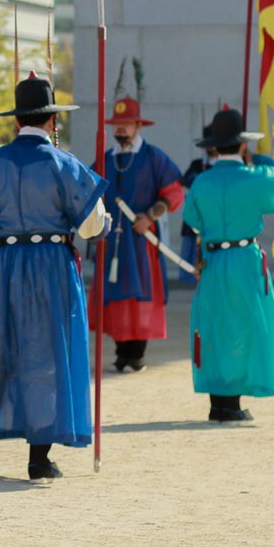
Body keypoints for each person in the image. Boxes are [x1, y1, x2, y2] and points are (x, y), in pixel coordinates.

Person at [0, 72, 110, 483]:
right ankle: (38, 459)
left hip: (8, 266)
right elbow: (92, 227)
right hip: (52, 266)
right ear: (52, 121)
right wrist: (105, 220)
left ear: (16, 119)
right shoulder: (65, 164)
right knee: (45, 357)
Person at [183, 109, 274, 422]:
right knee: (242, 328)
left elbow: (192, 220)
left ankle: (218, 401)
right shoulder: (255, 178)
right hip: (244, 259)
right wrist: (265, 161)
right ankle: (231, 404)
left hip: (213, 260)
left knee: (214, 328)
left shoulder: (202, 181)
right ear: (242, 145)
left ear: (215, 147)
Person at [92, 80, 184, 372]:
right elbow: (88, 196)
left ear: (138, 126)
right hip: (112, 240)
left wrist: (151, 217)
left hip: (140, 239)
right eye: (117, 124)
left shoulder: (154, 157)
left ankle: (137, 352)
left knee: (141, 292)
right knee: (116, 294)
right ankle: (122, 351)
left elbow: (173, 192)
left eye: (127, 123)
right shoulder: (104, 160)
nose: (121, 129)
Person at [179, 126, 217, 284]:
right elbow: (186, 179)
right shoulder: (197, 164)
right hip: (196, 216)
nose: (210, 148)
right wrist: (199, 179)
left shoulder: (222, 166)